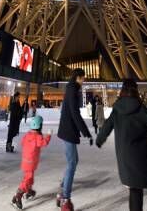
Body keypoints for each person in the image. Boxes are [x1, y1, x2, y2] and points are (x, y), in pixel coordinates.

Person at [96, 79, 147, 211]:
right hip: (138, 155)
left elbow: (107, 126)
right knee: (136, 190)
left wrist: (100, 139)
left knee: (134, 189)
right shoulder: (139, 107)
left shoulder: (117, 107)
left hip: (123, 154)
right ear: (135, 90)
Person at [57, 68, 93, 211]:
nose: (84, 81)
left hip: (68, 130)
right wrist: (86, 133)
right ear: (78, 77)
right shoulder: (72, 90)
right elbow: (74, 113)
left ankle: (62, 190)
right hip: (68, 131)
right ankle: (65, 197)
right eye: (83, 78)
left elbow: (72, 112)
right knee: (72, 163)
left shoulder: (72, 89)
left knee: (73, 161)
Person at [11, 115, 51, 209]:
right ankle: (18, 195)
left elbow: (22, 143)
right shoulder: (37, 137)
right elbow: (44, 143)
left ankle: (28, 191)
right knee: (28, 179)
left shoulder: (27, 135)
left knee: (29, 178)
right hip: (31, 162)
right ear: (39, 126)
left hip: (25, 161)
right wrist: (48, 135)